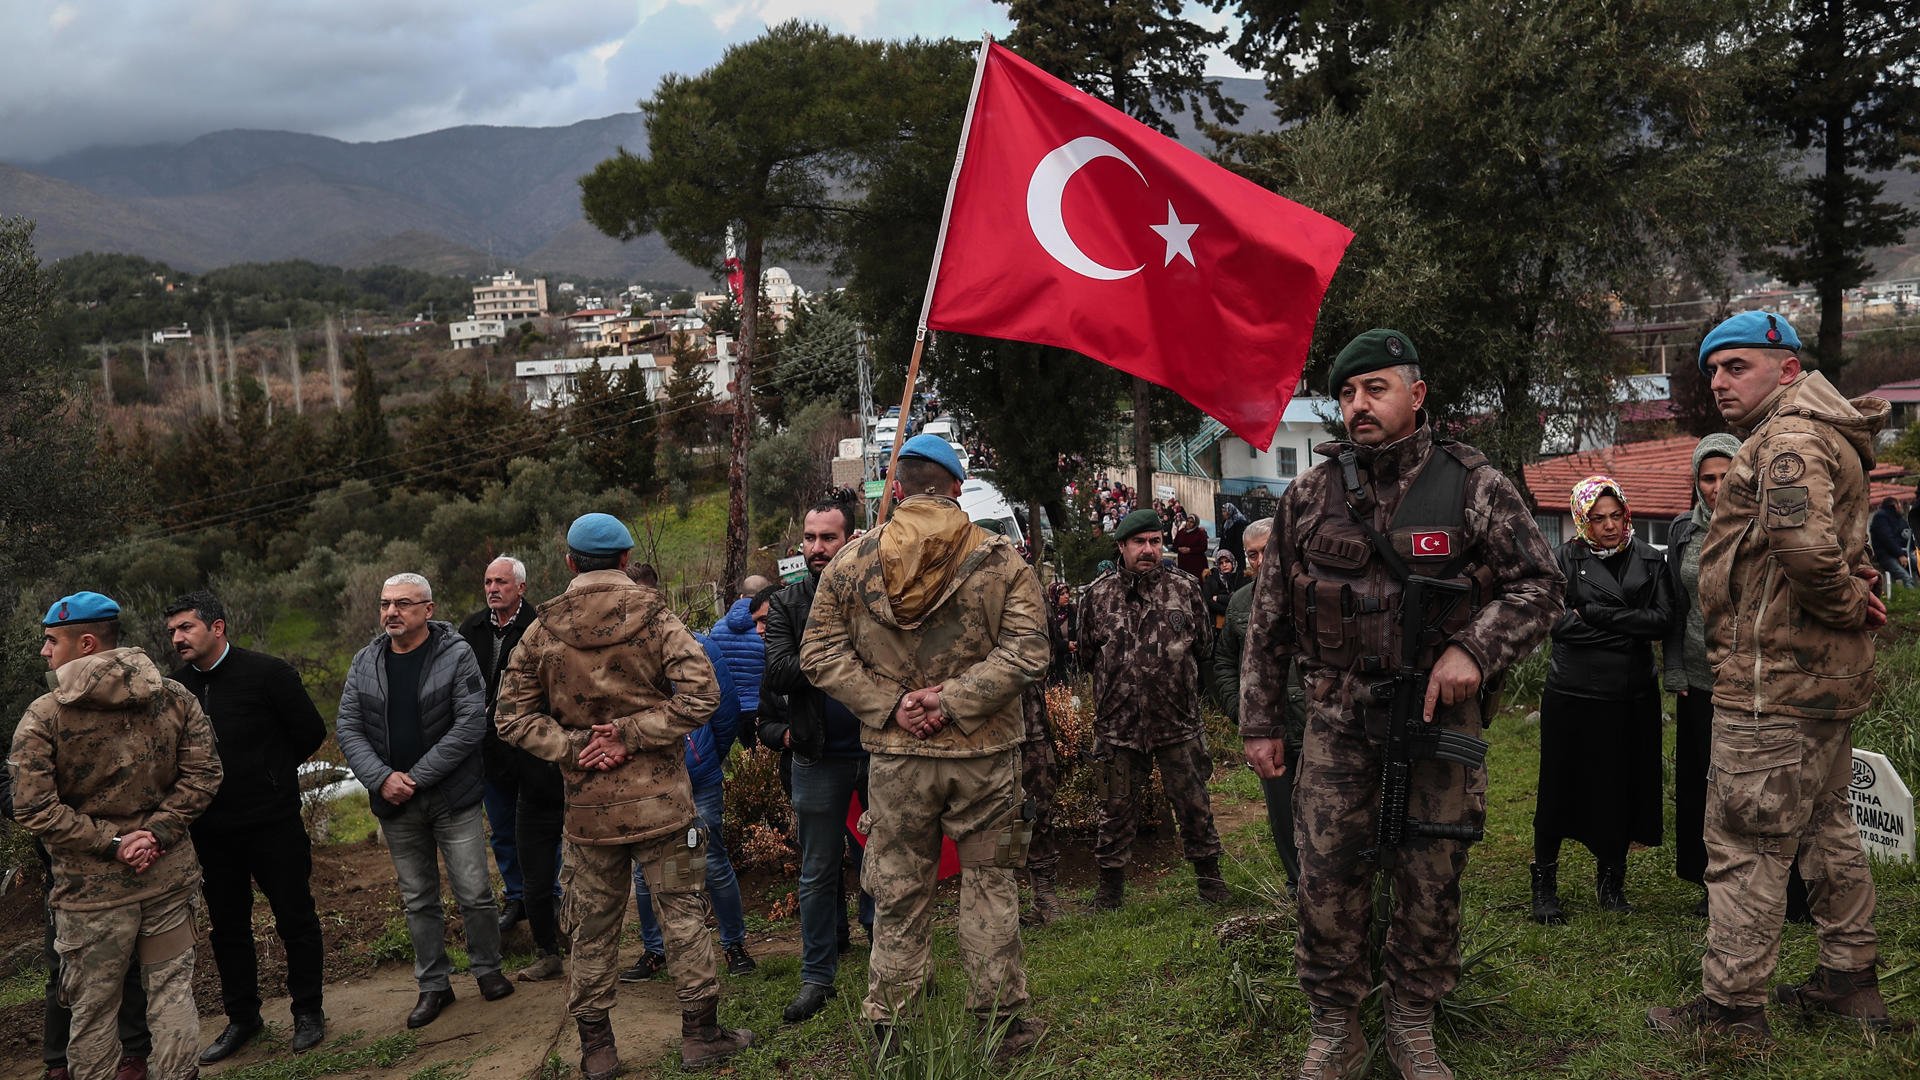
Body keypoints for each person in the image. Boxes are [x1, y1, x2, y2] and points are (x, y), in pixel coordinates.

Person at [1240, 330, 1563, 1080]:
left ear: (1416, 396)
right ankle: (1335, 1028)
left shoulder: (1474, 485)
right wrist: (1259, 721)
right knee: (1324, 879)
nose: (1359, 405)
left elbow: (1542, 586)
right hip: (1337, 721)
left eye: (1375, 389)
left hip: (1435, 725)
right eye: (1348, 394)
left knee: (1431, 876)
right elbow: (1268, 621)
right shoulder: (1309, 495)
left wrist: (1473, 652)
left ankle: (1413, 1021)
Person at [1649, 311, 1893, 1038]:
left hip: (1772, 685)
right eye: (1713, 371)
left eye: (1737, 367)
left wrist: (1849, 600)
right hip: (1816, 682)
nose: (1720, 382)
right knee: (1827, 828)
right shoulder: (1816, 431)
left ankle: (1731, 1011)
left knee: (1746, 843)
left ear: (1786, 368)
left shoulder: (1785, 438)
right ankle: (1849, 983)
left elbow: (1804, 546)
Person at [801, 434, 1051, 1062]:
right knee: (991, 880)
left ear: (900, 485)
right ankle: (1003, 1024)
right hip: (986, 758)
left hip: (895, 759)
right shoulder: (1000, 558)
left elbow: (818, 655)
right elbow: (1028, 651)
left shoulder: (852, 561)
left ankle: (892, 1023)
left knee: (896, 884)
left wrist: (892, 704)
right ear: (957, 486)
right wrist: (953, 700)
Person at [495, 514, 752, 1075]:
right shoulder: (656, 616)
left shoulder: (540, 630)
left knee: (590, 928)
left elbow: (510, 717)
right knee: (683, 911)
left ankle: (598, 1052)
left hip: (589, 817)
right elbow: (702, 694)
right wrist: (633, 735)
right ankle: (701, 1035)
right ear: (624, 557)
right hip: (663, 807)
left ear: (569, 563)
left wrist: (575, 745)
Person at [11, 592, 223, 1080]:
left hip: (90, 895)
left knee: (92, 1014)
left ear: (85, 643)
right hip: (167, 876)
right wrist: (155, 834)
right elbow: (204, 777)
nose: (45, 651)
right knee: (172, 994)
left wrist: (114, 845)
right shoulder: (176, 696)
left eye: (51, 640)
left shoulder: (44, 715)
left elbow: (32, 806)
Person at [336, 572, 513, 1029]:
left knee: (474, 892)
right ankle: (434, 984)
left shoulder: (456, 655)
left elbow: (471, 724)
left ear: (428, 610)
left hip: (452, 797)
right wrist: (382, 779)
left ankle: (488, 970)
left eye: (403, 604)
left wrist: (414, 776)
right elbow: (349, 730)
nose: (391, 612)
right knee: (418, 899)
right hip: (395, 803)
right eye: (385, 604)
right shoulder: (365, 661)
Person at [163, 591, 330, 1061]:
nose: (177, 638)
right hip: (211, 831)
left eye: (186, 628)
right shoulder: (174, 690)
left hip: (272, 823)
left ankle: (308, 1012)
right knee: (228, 928)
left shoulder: (268, 673)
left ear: (216, 627)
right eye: (173, 631)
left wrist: (270, 773)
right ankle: (243, 1018)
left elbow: (310, 731)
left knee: (295, 919)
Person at [1529, 477, 1672, 924]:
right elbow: (1556, 626)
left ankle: (1612, 883)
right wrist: (1628, 627)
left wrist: (1595, 614)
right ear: (1582, 519)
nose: (1609, 525)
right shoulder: (1563, 559)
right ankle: (1544, 885)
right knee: (1558, 788)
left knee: (1620, 787)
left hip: (1632, 695)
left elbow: (1663, 621)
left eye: (1616, 515)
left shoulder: (1650, 559)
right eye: (1598, 517)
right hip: (1574, 693)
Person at [762, 500, 875, 1025]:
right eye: (809, 538)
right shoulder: (788, 603)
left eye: (827, 538)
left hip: (879, 749)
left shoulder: (875, 593)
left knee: (885, 861)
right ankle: (817, 977)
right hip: (817, 755)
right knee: (818, 870)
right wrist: (834, 651)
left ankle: (891, 961)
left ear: (849, 540)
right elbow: (781, 672)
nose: (815, 548)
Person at [1081, 508, 1226, 909]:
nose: (1148, 550)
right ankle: (1109, 893)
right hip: (1117, 729)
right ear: (1122, 547)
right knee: (1113, 809)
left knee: (1195, 806)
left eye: (1155, 541)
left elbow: (1204, 650)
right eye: (1139, 542)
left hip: (1177, 724)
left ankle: (1211, 885)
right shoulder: (1097, 595)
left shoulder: (1185, 588)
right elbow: (1089, 656)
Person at [625, 568, 757, 981]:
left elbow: (725, 711)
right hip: (643, 783)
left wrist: (703, 759)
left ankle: (734, 944)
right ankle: (655, 950)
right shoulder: (615, 657)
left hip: (695, 780)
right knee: (646, 872)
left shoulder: (698, 645)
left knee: (709, 860)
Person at [0, 756, 151, 1080]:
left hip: (118, 864)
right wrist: (41, 812)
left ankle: (134, 1052)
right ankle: (59, 1062)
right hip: (63, 873)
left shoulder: (114, 713)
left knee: (127, 959)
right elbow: (6, 781)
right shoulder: (40, 717)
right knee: (62, 968)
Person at [1663, 434, 1742, 917]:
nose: (1716, 486)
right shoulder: (1681, 532)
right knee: (1697, 787)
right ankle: (1708, 883)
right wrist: (1674, 667)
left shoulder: (1759, 525)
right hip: (1696, 680)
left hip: (1745, 681)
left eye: (1725, 474)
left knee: (1743, 787)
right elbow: (1674, 606)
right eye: (1707, 477)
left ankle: (1754, 886)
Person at [1212, 518, 1304, 892]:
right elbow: (1223, 664)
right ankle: (1298, 890)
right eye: (1253, 554)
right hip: (1273, 733)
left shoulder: (1313, 590)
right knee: (1284, 817)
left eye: (1269, 549)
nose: (1261, 559)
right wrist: (1244, 712)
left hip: (1324, 726)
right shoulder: (1239, 602)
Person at [456, 556, 543, 938]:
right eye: (488, 582)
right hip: (486, 747)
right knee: (503, 828)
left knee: (540, 825)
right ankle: (517, 896)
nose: (493, 589)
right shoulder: (471, 627)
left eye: (501, 582)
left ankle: (548, 896)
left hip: (530, 744)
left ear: (520, 588)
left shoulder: (540, 625)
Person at [1869, 496, 1914, 590]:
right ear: (1895, 505)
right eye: (1900, 505)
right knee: (1905, 576)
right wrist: (1899, 554)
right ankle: (1912, 595)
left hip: (1905, 554)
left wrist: (1914, 548)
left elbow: (1909, 535)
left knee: (1917, 561)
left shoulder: (1900, 520)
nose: (1901, 508)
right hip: (1887, 555)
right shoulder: (1880, 517)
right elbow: (1886, 538)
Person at [1205, 551, 1244, 624]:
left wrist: (1219, 598)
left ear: (1233, 562)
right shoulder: (1211, 578)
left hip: (1239, 622)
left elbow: (1241, 600)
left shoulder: (1242, 577)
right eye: (1221, 563)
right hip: (1217, 622)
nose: (1224, 565)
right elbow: (1207, 601)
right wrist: (1228, 610)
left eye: (1227, 561)